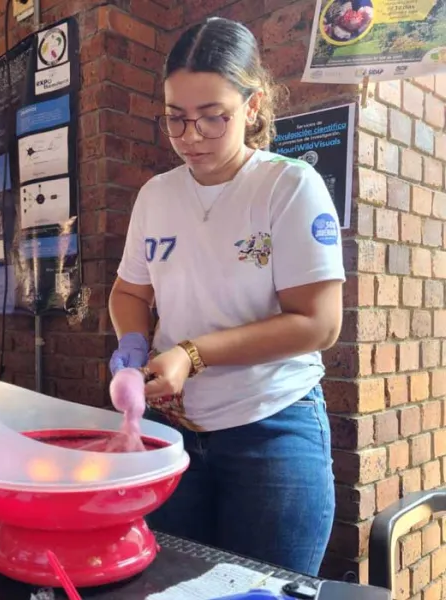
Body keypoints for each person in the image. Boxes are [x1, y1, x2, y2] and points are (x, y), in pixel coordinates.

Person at [108, 18, 343, 576]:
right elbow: (128, 291)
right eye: (176, 119)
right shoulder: (157, 195)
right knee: (166, 587)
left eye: (214, 117)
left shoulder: (288, 186)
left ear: (253, 105)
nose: (192, 137)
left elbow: (318, 324)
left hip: (273, 427)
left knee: (261, 589)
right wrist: (134, 346)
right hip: (174, 434)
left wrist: (191, 355)